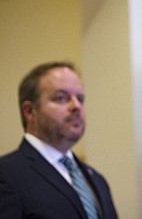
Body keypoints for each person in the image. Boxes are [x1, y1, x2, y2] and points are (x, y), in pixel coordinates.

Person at [0, 61, 118, 218]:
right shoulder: (6, 174)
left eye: (80, 98)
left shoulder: (97, 180)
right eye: (61, 98)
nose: (76, 106)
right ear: (30, 111)